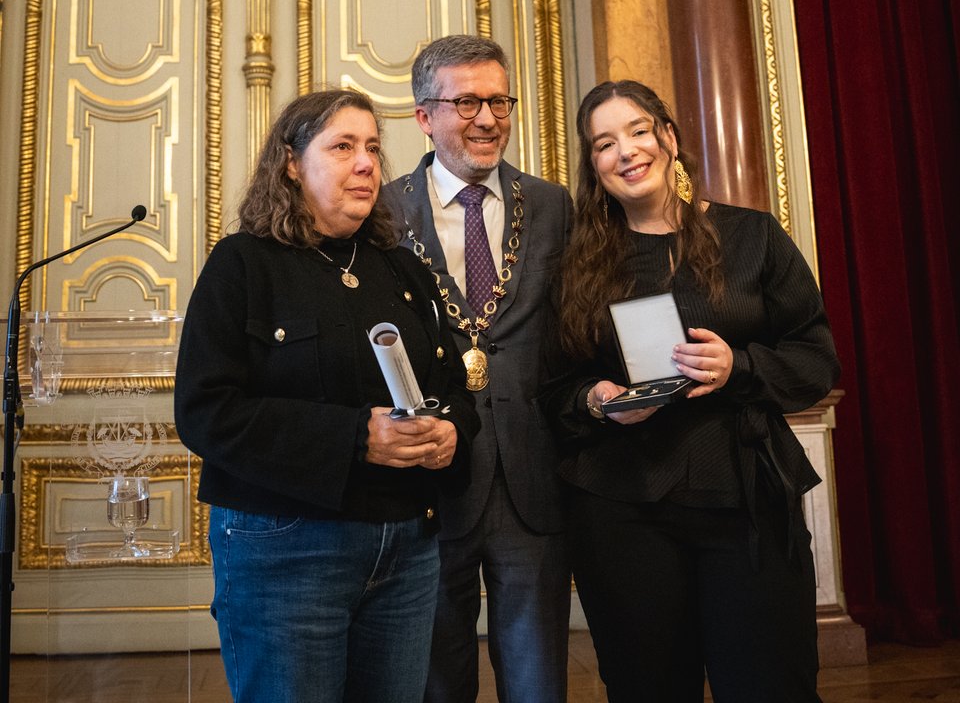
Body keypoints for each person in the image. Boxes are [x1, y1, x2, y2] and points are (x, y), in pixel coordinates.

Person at [539, 80, 841, 703]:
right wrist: (596, 400)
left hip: (745, 500)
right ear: (593, 165)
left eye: (639, 131)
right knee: (647, 689)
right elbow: (553, 386)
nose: (626, 151)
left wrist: (739, 367)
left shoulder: (753, 236)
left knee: (770, 686)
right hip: (621, 509)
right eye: (604, 143)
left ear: (670, 139)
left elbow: (816, 360)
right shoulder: (576, 262)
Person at [174, 88, 479, 703]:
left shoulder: (402, 268)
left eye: (372, 148)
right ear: (291, 162)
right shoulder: (243, 264)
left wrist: (451, 433)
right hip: (286, 551)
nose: (366, 163)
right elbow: (206, 412)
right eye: (342, 147)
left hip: (407, 549)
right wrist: (355, 438)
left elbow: (452, 386)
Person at [381, 35, 573, 703]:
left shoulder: (552, 205)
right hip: (426, 481)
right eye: (466, 103)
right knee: (434, 678)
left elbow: (575, 329)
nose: (487, 119)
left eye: (499, 101)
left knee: (538, 678)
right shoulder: (381, 212)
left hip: (531, 477)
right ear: (424, 116)